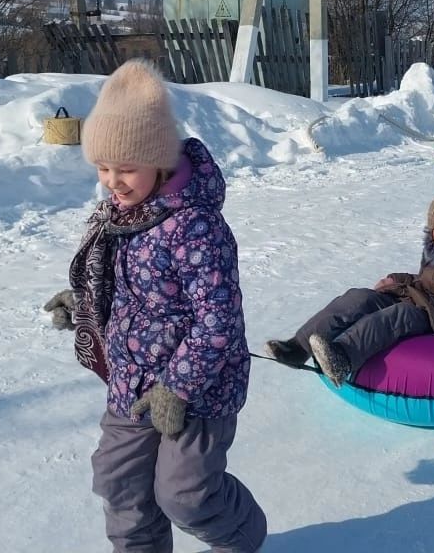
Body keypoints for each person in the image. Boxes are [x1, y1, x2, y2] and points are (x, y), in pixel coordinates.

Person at [43, 59, 266, 553]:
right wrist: (82, 305)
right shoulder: (119, 215)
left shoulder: (196, 227)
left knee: (184, 495)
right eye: (102, 168)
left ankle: (244, 538)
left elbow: (218, 320)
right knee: (120, 486)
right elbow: (125, 293)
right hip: (130, 380)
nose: (112, 181)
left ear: (160, 161)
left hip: (200, 390)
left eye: (126, 168)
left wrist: (178, 387)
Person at [262, 173, 434, 387]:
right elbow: (425, 280)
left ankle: (343, 358)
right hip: (425, 299)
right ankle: (298, 347)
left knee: (399, 314)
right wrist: (396, 279)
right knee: (359, 297)